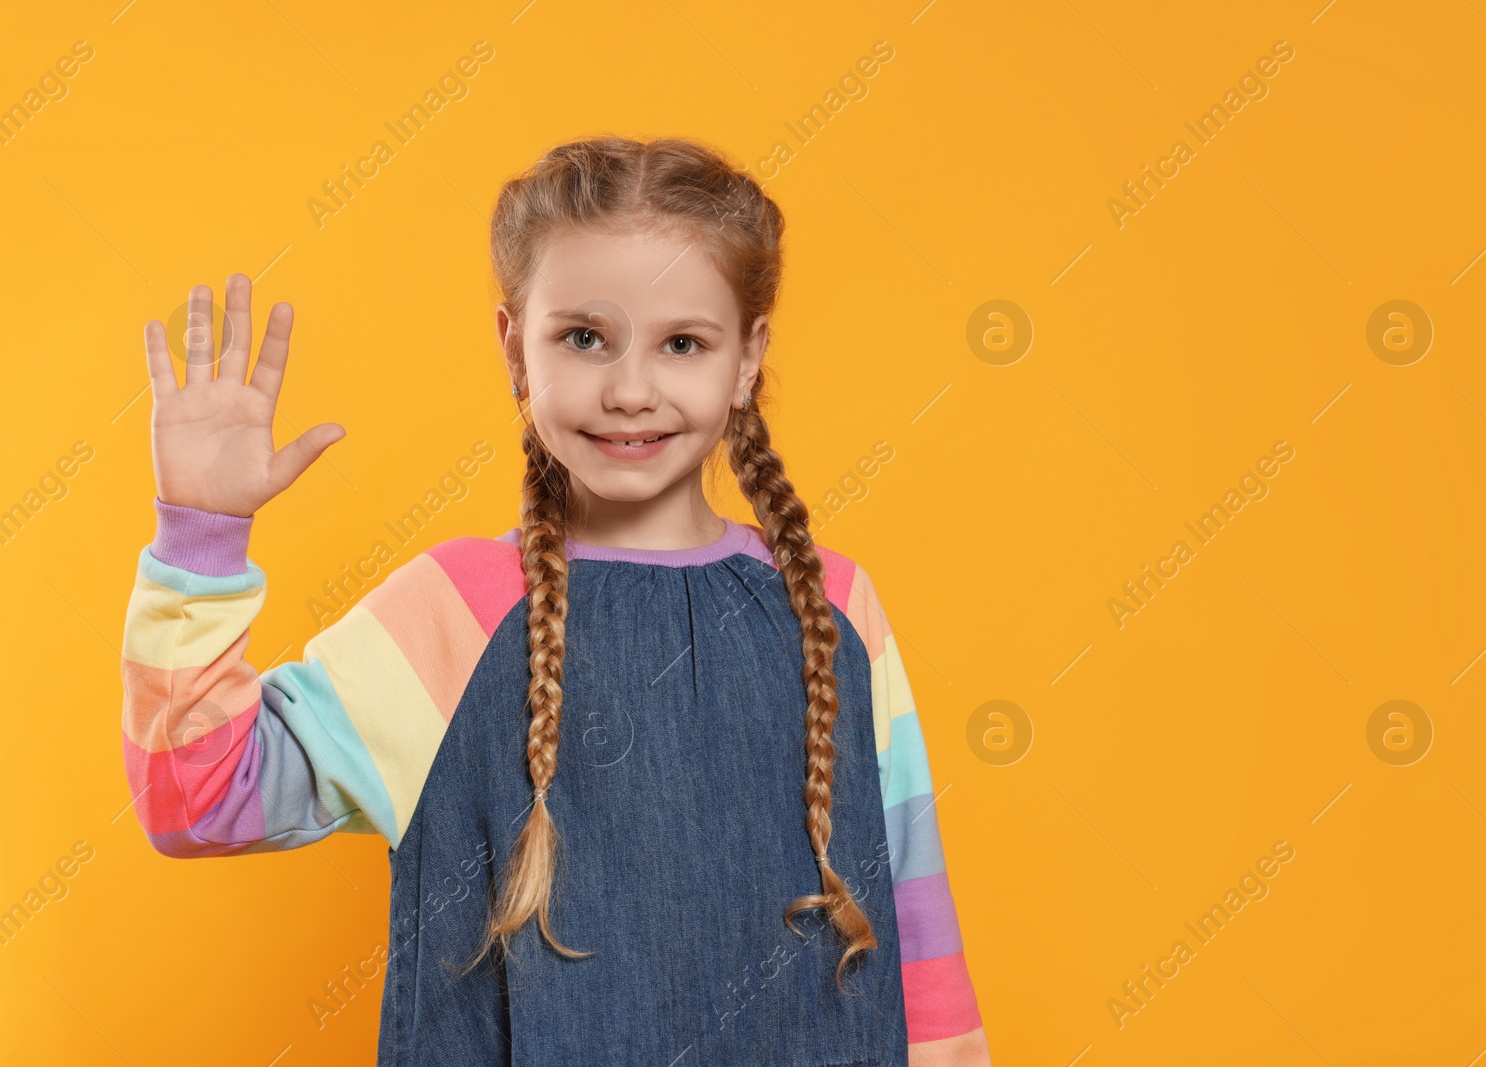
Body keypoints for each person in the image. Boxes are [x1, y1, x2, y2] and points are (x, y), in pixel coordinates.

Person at [120, 135, 990, 1065]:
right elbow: (194, 798)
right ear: (514, 349)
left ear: (748, 358)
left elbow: (916, 927)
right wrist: (201, 536)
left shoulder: (836, 607)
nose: (629, 389)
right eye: (584, 337)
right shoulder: (456, 611)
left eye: (683, 343)